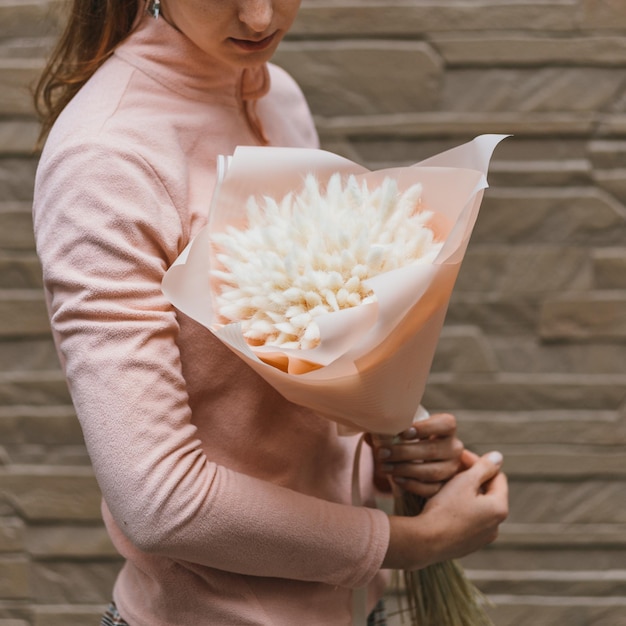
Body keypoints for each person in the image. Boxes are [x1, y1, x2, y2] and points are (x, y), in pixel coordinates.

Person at [32, 1, 509, 624]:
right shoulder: (105, 161)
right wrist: (412, 544)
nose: (260, 18)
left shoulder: (275, 92)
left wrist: (391, 438)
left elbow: (289, 371)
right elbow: (161, 502)